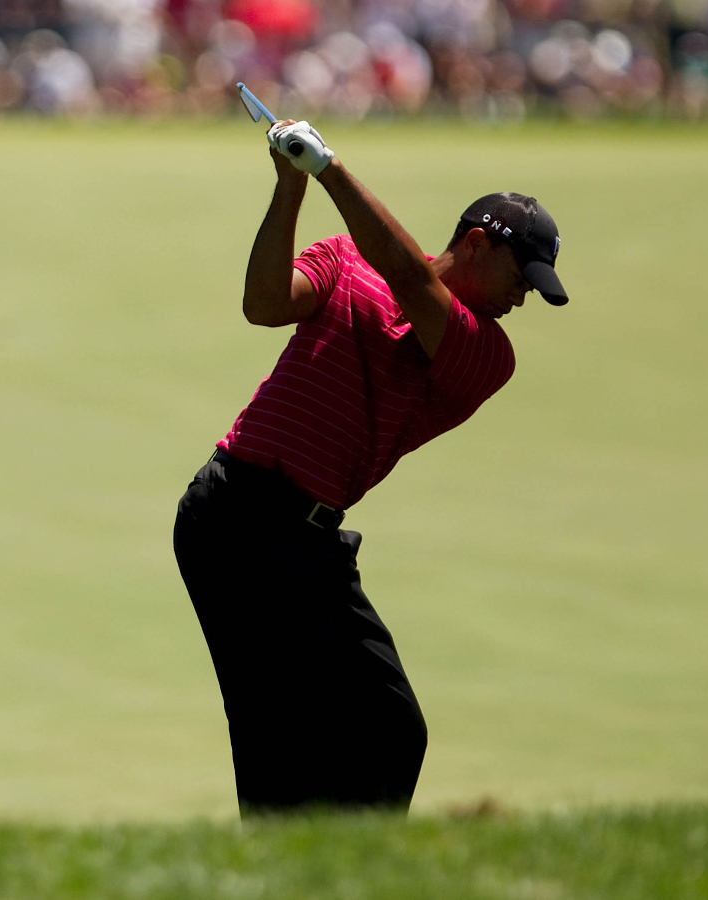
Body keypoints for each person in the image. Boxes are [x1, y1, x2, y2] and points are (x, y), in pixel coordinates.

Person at [172, 119, 569, 815]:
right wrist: (290, 187)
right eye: (520, 279)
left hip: (307, 540)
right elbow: (263, 305)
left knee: (392, 728)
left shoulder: (485, 354)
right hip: (236, 515)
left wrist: (331, 168)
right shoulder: (345, 264)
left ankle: (356, 876)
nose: (522, 300)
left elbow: (412, 282)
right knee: (284, 737)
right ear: (476, 244)